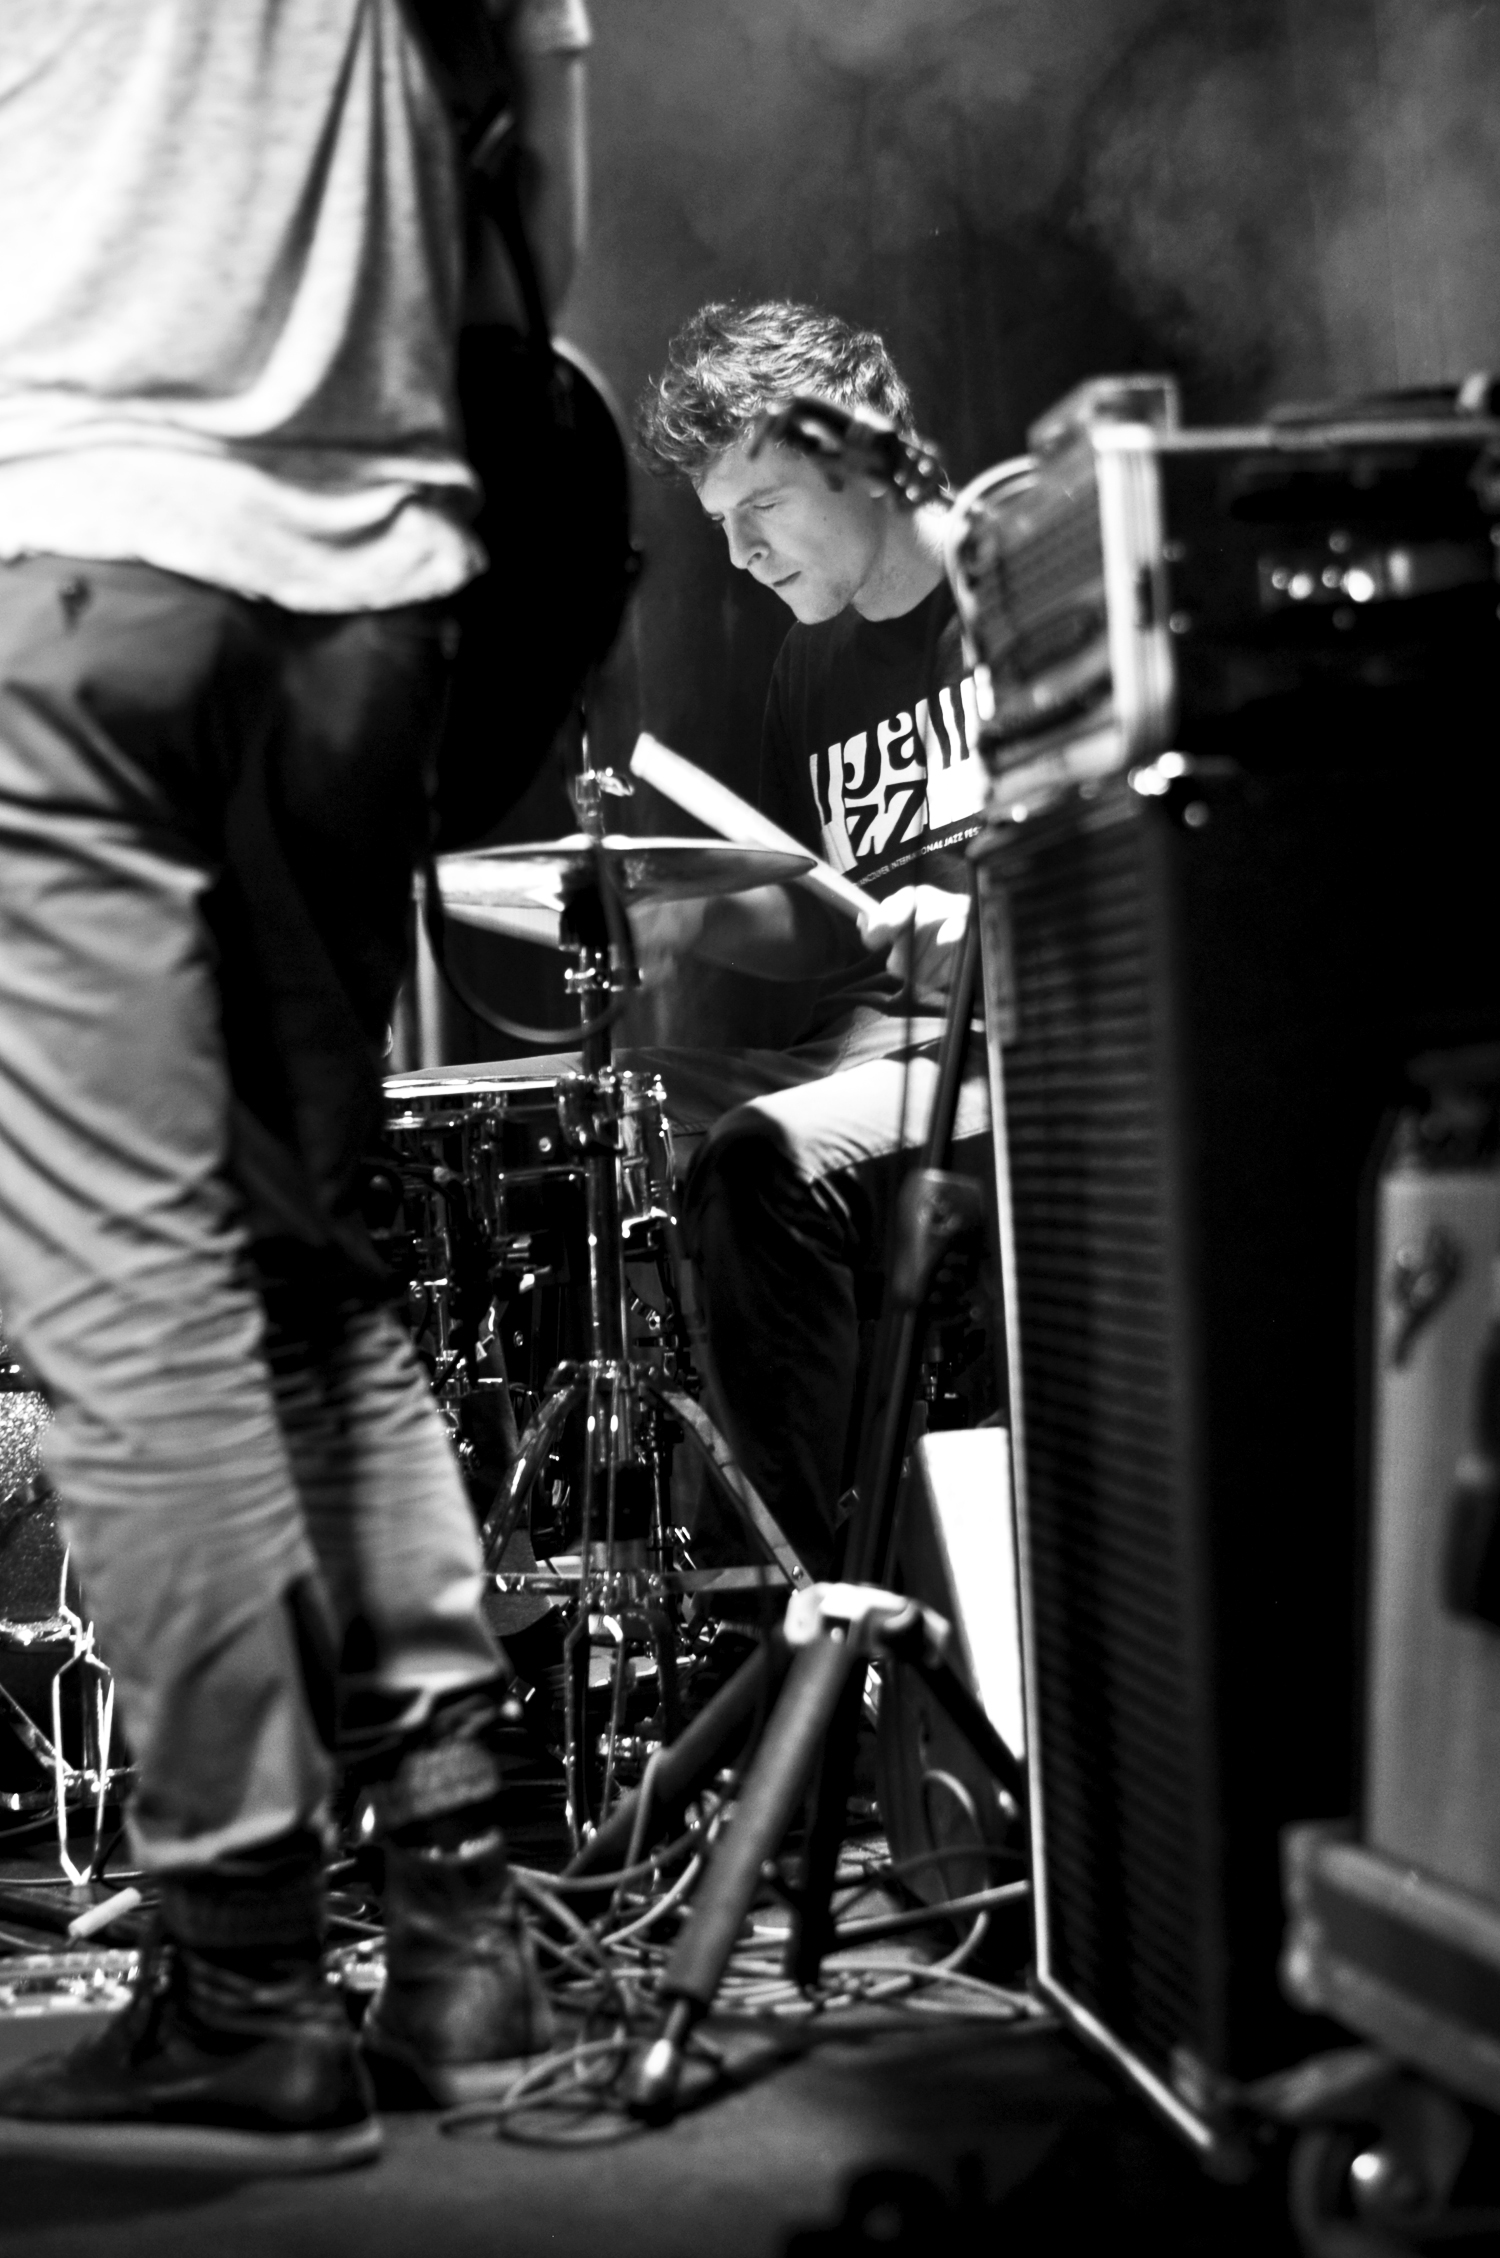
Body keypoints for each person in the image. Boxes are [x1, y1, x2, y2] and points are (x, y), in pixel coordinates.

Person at [0, 0, 589, 2172]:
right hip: (371, 590)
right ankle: (460, 1943)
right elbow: (537, 215)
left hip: (76, 539)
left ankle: (244, 1974)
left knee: (130, 1292)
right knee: (306, 1271)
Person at [631, 301, 996, 1580]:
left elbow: (1143, 872)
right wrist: (674, 908)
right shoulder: (811, 661)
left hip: (1009, 1050)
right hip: (868, 1050)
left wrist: (985, 925)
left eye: (761, 508)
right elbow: (825, 911)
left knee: (759, 1158)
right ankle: (678, 1565)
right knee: (615, 1116)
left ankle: (815, 1612)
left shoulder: (1018, 592)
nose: (739, 557)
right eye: (719, 524)